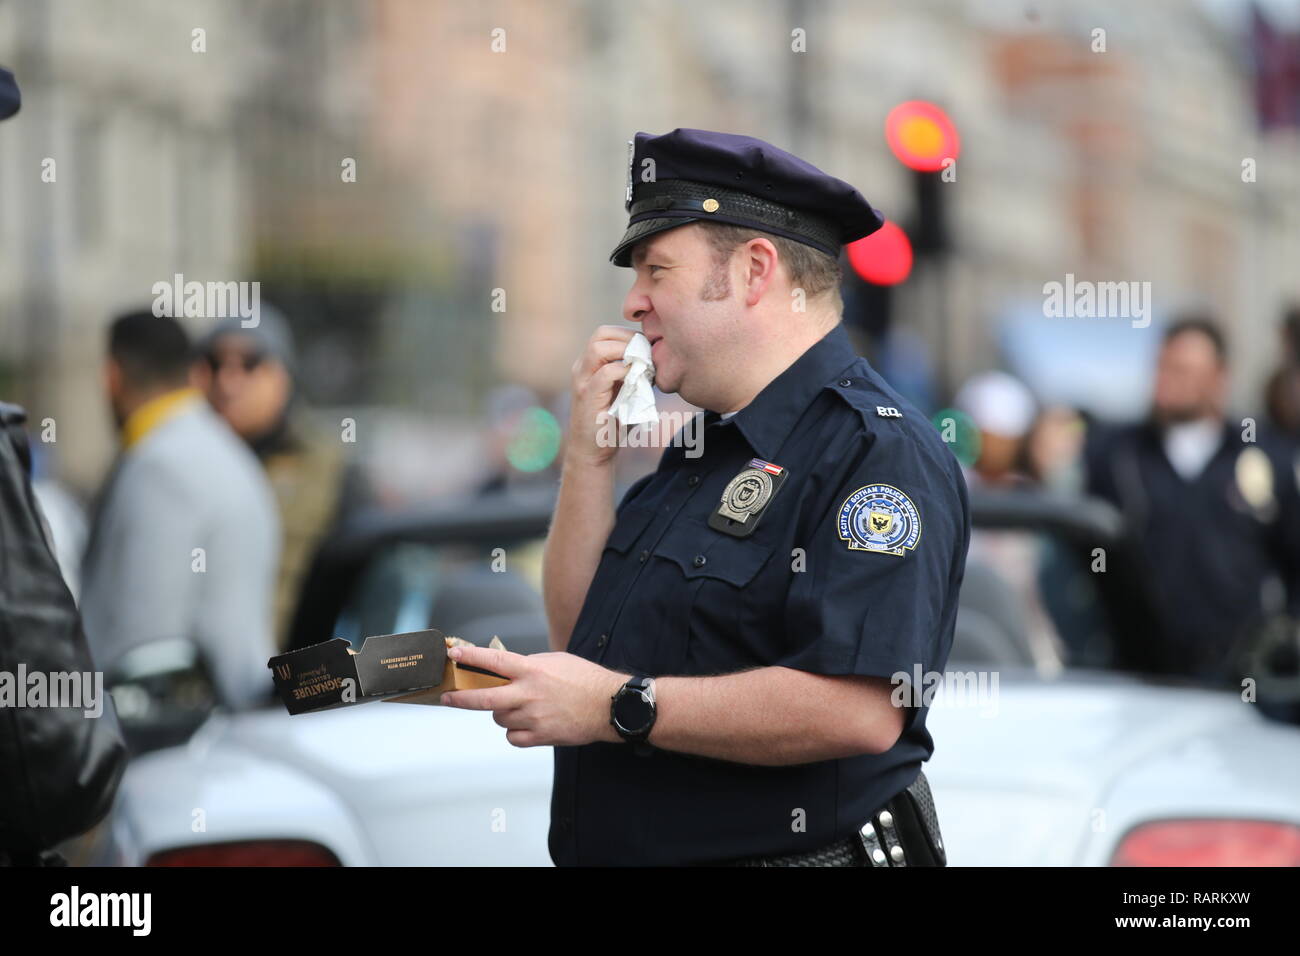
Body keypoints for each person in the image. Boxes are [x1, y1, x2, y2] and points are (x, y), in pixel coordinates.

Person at [441, 128, 971, 866]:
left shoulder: (876, 450)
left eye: (658, 270)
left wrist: (615, 707)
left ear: (755, 271)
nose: (633, 304)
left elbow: (858, 709)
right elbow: (583, 637)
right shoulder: (707, 446)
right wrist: (589, 462)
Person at [80, 310, 280, 710]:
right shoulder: (214, 446)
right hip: (225, 720)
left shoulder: (160, 467)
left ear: (111, 376)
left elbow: (135, 638)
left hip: (178, 739)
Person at [1085, 316, 1300, 682]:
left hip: (1241, 677)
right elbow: (1085, 555)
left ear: (1218, 377)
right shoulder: (1119, 456)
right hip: (1141, 675)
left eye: (1183, 370)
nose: (1166, 382)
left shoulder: (1261, 455)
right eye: (1162, 367)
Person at [194, 309, 366, 651]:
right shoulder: (183, 464)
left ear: (282, 376)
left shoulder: (330, 470)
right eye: (215, 364)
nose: (228, 383)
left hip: (295, 681)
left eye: (249, 363)